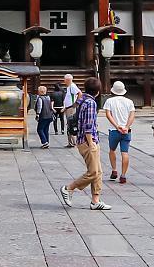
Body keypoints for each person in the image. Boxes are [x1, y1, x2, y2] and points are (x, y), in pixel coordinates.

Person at [58, 78, 110, 210]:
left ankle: (95, 200)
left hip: (85, 139)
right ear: (98, 92)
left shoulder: (81, 100)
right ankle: (68, 188)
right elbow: (88, 124)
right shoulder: (90, 103)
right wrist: (91, 142)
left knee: (98, 171)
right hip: (88, 140)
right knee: (93, 172)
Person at [103, 81, 136, 184]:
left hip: (114, 130)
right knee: (125, 152)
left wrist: (117, 126)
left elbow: (108, 115)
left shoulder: (109, 101)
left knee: (112, 150)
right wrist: (126, 127)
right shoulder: (129, 101)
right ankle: (123, 175)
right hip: (126, 131)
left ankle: (114, 170)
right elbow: (132, 115)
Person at [62, 75, 81, 148]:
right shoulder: (69, 87)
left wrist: (76, 103)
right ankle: (70, 142)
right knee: (69, 124)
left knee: (71, 124)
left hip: (71, 108)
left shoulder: (72, 86)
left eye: (64, 79)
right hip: (68, 108)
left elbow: (79, 93)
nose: (64, 81)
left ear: (67, 80)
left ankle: (73, 142)